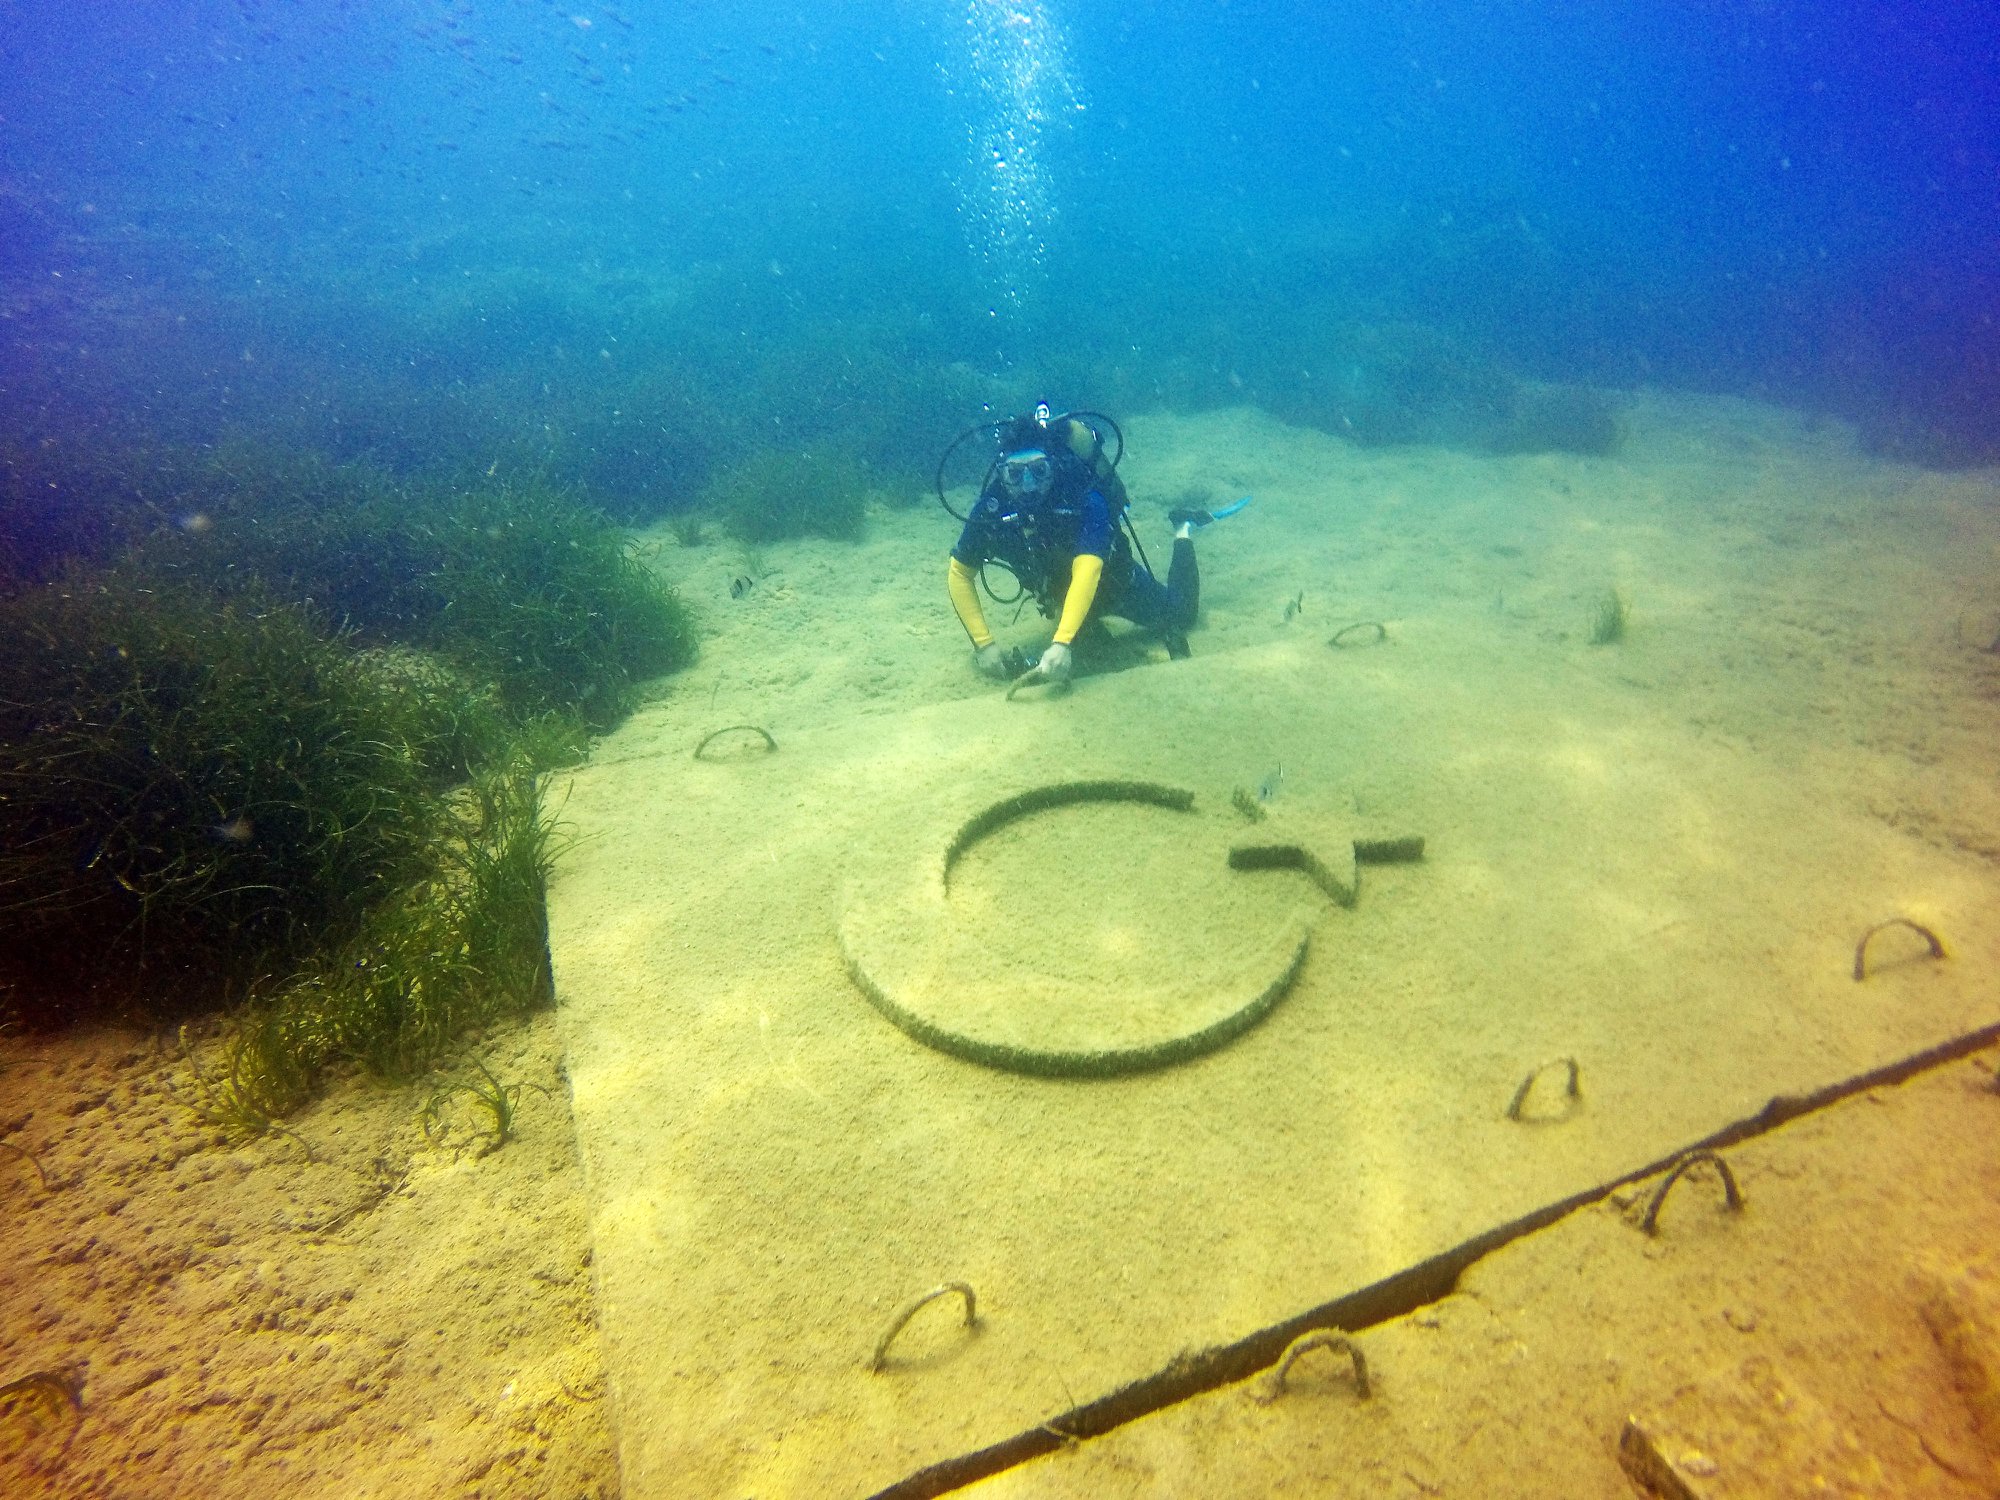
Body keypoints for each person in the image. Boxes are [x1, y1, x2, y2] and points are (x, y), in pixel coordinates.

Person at [944, 405, 1244, 685]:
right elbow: (960, 572)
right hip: (1060, 598)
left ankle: (1184, 528)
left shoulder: (1084, 497)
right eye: (1015, 473)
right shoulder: (993, 508)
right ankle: (1079, 628)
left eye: (1038, 470)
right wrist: (984, 645)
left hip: (1118, 587)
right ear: (1002, 473)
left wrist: (1061, 643)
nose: (1028, 484)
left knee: (1182, 614)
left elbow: (1088, 568)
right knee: (1088, 645)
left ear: (1053, 466)